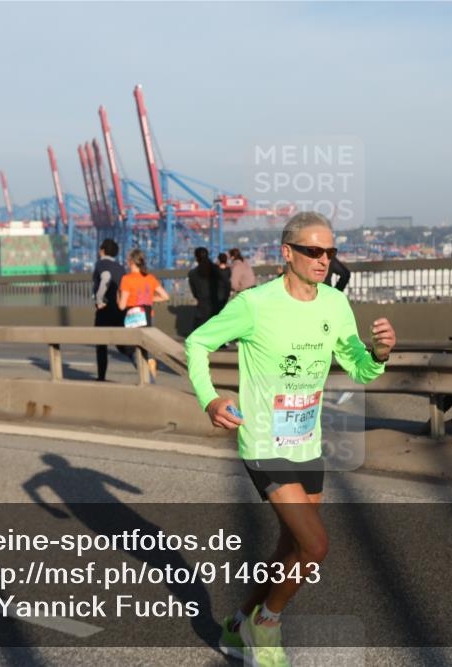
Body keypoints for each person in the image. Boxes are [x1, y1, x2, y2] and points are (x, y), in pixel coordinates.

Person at [185, 211, 396, 667]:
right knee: (316, 546)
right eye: (314, 251)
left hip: (306, 440)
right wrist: (210, 399)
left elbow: (358, 366)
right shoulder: (254, 304)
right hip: (263, 442)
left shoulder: (334, 304)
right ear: (288, 253)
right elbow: (197, 343)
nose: (324, 260)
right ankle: (266, 625)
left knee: (291, 548)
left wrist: (378, 353)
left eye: (331, 252)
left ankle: (239, 623)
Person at [118, 248, 170, 382]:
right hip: (148, 316)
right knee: (146, 345)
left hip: (133, 318)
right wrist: (149, 300)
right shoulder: (150, 278)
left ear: (131, 262)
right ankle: (150, 360)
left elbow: (122, 305)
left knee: (132, 350)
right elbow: (165, 296)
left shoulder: (126, 279)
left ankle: (149, 380)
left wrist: (117, 297)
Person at [92, 239, 134, 381]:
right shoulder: (120, 267)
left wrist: (99, 300)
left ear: (102, 250)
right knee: (122, 344)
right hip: (120, 310)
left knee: (101, 345)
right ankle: (141, 364)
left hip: (105, 310)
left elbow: (105, 278)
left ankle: (101, 376)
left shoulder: (101, 263)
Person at [187, 247, 218, 332]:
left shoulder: (193, 274)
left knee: (201, 330)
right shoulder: (217, 270)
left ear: (196, 257)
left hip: (202, 305)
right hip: (217, 303)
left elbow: (195, 292)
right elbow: (225, 285)